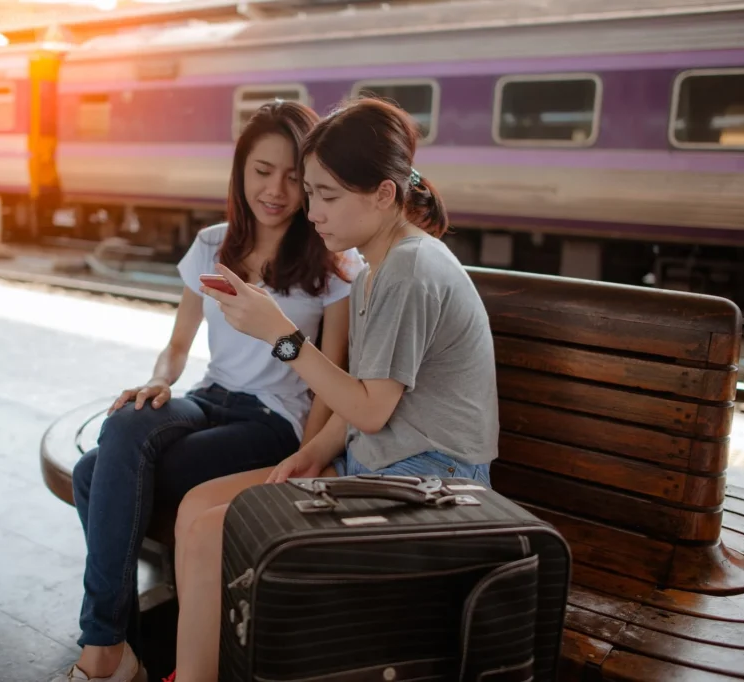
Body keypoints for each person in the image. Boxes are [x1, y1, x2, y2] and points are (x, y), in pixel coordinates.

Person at [168, 97, 500, 682]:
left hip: (436, 485)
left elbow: (372, 410)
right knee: (197, 512)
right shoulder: (375, 266)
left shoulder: (411, 270)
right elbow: (364, 401)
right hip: (372, 465)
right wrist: (315, 450)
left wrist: (283, 335)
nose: (310, 208)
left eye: (326, 194)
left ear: (383, 195)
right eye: (311, 191)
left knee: (219, 528)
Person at [62, 100, 362, 682]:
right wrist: (159, 380)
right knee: (124, 423)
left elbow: (333, 370)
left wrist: (308, 450)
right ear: (240, 171)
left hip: (272, 421)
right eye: (261, 171)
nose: (276, 189)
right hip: (210, 395)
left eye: (294, 177)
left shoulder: (331, 264)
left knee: (92, 475)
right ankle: (111, 647)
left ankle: (108, 651)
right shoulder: (211, 246)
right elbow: (177, 347)